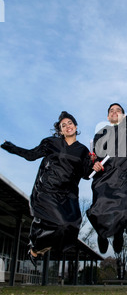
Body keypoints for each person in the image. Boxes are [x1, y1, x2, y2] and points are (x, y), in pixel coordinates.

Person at [1, 111, 95, 267]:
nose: (67, 126)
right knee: (59, 223)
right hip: (47, 190)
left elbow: (86, 174)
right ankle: (35, 243)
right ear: (60, 131)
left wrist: (94, 164)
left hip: (68, 195)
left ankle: (39, 249)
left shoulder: (83, 150)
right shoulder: (51, 143)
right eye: (63, 125)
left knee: (71, 225)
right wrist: (10, 146)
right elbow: (31, 155)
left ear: (76, 126)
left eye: (70, 123)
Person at [87, 56, 127, 254]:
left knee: (123, 212)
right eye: (111, 110)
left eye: (118, 110)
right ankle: (102, 234)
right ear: (107, 116)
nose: (115, 112)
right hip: (104, 179)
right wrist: (93, 165)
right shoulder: (99, 134)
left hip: (125, 178)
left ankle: (118, 234)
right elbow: (93, 158)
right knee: (99, 211)